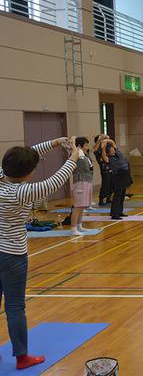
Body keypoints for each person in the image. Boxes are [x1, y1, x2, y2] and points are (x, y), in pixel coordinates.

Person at [0, 137, 79, 370]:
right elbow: (55, 181)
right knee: (15, 307)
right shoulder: (21, 192)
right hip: (12, 254)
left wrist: (55, 142)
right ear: (28, 172)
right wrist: (74, 156)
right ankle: (22, 357)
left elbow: (25, 155)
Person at [70, 137, 100, 236]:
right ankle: (73, 228)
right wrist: (73, 140)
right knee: (78, 206)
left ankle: (79, 226)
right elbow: (72, 147)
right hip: (80, 182)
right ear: (79, 146)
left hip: (87, 181)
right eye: (86, 145)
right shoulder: (77, 153)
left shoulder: (84, 154)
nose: (87, 147)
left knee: (82, 206)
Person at [101, 139, 132, 220]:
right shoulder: (109, 159)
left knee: (122, 196)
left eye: (112, 149)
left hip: (125, 176)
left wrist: (107, 140)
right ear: (108, 152)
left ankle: (120, 211)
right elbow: (103, 155)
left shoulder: (118, 154)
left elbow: (113, 143)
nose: (113, 150)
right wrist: (103, 147)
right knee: (117, 196)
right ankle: (114, 214)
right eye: (111, 150)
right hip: (118, 177)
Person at [93, 134, 112, 206]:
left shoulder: (107, 147)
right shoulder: (98, 150)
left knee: (111, 184)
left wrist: (107, 138)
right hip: (104, 169)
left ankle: (109, 198)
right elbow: (95, 150)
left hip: (111, 167)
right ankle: (101, 199)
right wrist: (99, 139)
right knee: (105, 184)